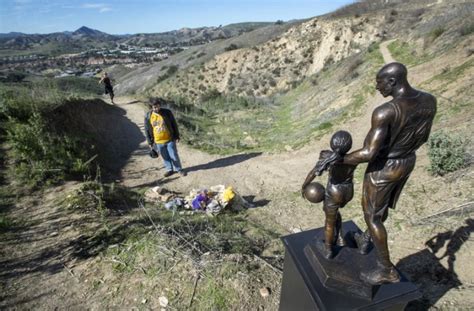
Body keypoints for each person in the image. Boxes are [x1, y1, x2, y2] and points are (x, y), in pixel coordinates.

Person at [330, 62, 436, 285]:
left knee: (372, 215)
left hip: (385, 167)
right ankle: (366, 238)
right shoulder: (429, 101)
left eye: (379, 83)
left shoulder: (386, 111)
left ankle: (386, 269)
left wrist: (339, 159)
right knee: (382, 206)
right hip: (408, 161)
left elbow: (369, 153)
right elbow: (424, 137)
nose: (377, 88)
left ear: (392, 81)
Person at [302, 131, 356, 259]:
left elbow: (313, 172)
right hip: (348, 192)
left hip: (334, 191)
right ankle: (341, 236)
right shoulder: (355, 157)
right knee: (335, 212)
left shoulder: (327, 156)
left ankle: (328, 249)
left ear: (332, 143)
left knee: (329, 221)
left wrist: (305, 185)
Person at [145, 97, 186, 177]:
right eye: (155, 107)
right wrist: (150, 142)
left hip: (170, 139)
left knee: (174, 155)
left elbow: (174, 124)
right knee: (165, 157)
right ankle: (169, 169)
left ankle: (179, 169)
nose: (157, 108)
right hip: (158, 141)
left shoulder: (167, 112)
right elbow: (147, 130)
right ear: (151, 107)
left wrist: (177, 135)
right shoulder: (148, 116)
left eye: (158, 106)